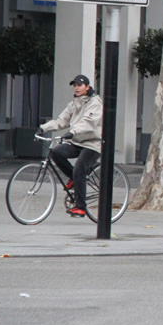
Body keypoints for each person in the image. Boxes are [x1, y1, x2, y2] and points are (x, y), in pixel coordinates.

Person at [38, 74, 103, 217]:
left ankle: (81, 207)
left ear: (87, 87)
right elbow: (60, 122)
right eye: (74, 85)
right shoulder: (73, 104)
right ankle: (74, 178)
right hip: (77, 141)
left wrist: (72, 132)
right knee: (56, 152)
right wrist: (43, 128)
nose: (76, 88)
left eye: (79, 85)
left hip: (93, 143)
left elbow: (88, 123)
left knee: (80, 168)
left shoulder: (95, 103)